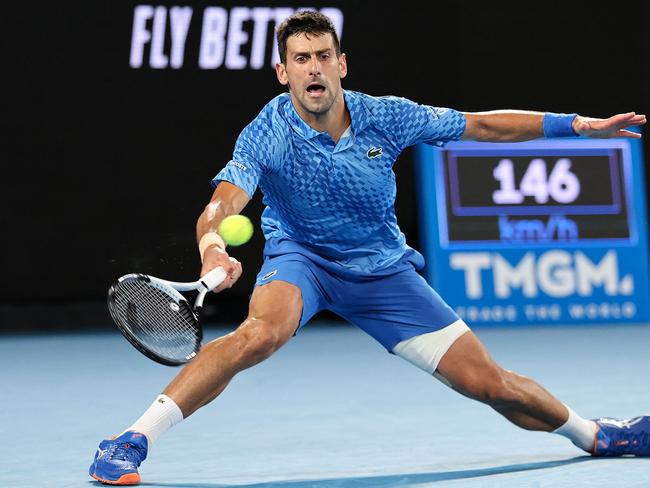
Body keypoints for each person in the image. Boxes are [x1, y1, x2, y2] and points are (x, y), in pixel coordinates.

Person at [89, 10, 649, 485]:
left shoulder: (385, 115)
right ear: (283, 72)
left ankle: (599, 435)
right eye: (301, 59)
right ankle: (132, 439)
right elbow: (223, 201)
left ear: (341, 64)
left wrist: (575, 127)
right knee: (258, 334)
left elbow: (480, 127)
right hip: (302, 259)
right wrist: (212, 244)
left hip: (383, 272)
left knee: (490, 384)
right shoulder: (268, 129)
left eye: (323, 56)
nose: (314, 67)